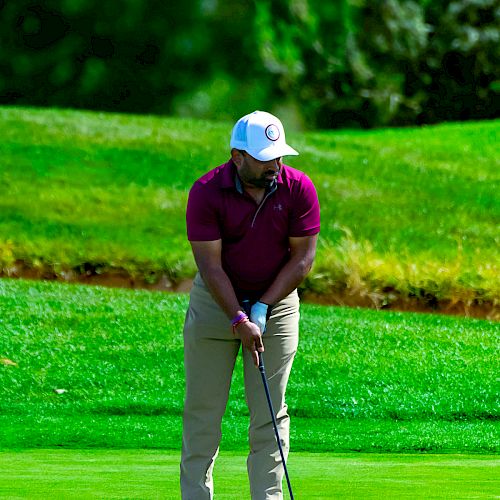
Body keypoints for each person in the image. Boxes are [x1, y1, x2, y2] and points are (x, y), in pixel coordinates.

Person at [180, 110, 320, 499]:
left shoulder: (298, 188)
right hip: (215, 304)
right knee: (203, 413)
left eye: (279, 156)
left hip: (277, 304)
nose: (276, 164)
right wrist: (239, 317)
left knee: (269, 414)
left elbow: (302, 260)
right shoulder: (206, 191)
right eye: (265, 157)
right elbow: (209, 265)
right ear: (237, 156)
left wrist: (262, 307)